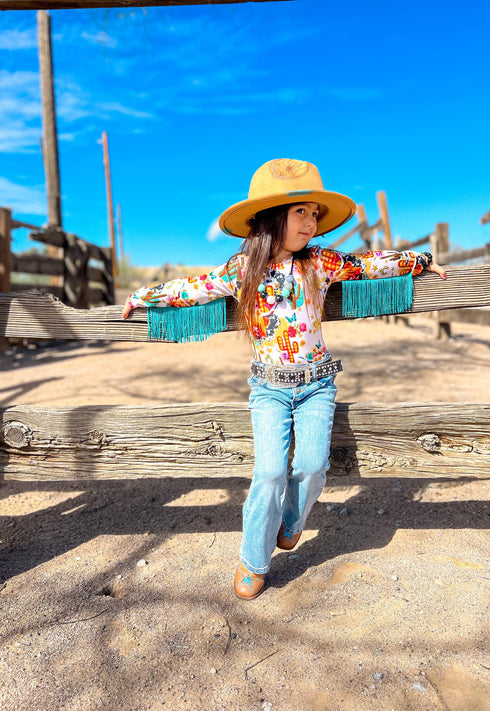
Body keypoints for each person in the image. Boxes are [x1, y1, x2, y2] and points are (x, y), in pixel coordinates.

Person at [122, 158, 446, 600]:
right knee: (270, 471)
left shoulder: (321, 263)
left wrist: (419, 260)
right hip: (269, 388)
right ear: (274, 217)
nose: (311, 222)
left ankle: (292, 522)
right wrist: (143, 296)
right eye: (302, 212)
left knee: (312, 464)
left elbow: (369, 264)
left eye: (315, 213)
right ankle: (254, 561)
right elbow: (191, 289)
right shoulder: (241, 271)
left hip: (317, 385)